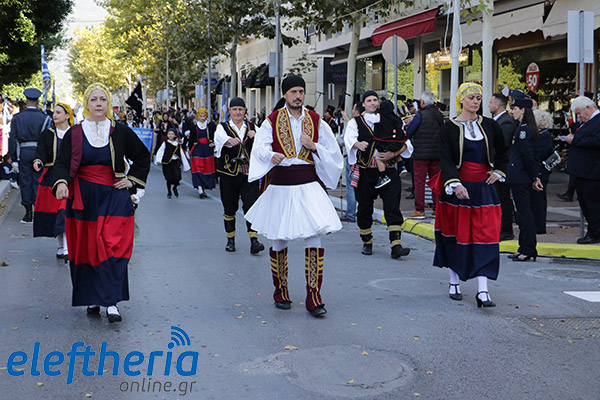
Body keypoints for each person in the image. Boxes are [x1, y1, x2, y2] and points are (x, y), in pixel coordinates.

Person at [245, 75, 343, 318]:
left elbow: (333, 152)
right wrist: (271, 156)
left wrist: (313, 146)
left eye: (301, 91)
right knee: (279, 238)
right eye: (293, 92)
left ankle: (314, 297)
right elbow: (259, 147)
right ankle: (281, 292)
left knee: (314, 236)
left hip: (308, 184)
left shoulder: (317, 120)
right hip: (281, 184)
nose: (298, 96)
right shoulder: (271, 120)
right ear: (285, 95)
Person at [53, 83, 150, 322]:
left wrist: (131, 181)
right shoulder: (75, 133)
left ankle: (112, 301)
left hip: (113, 196)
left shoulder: (120, 131)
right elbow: (62, 163)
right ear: (87, 104)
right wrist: (62, 183)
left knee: (111, 246)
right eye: (94, 99)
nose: (98, 103)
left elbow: (142, 156)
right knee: (88, 249)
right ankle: (94, 297)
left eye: (103, 99)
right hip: (84, 197)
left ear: (108, 104)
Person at [433, 83, 506, 307]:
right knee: (456, 235)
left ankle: (483, 290)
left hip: (483, 188)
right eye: (471, 98)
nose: (475, 102)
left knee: (486, 236)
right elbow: (445, 158)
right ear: (461, 100)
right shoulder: (449, 128)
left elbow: (504, 151)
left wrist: (498, 172)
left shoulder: (490, 126)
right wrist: (455, 184)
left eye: (478, 98)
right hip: (458, 189)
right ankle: (454, 281)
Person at [344, 90, 411, 259]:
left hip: (388, 170)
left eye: (375, 100)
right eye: (369, 100)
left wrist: (393, 154)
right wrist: (357, 144)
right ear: (363, 104)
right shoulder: (355, 122)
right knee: (364, 208)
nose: (373, 103)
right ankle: (367, 241)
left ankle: (396, 245)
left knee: (392, 206)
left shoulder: (389, 119)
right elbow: (349, 139)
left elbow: (406, 143)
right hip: (366, 171)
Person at [214, 97, 265, 254]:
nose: (237, 112)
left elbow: (264, 140)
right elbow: (219, 138)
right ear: (229, 111)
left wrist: (255, 135)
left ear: (245, 111)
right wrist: (229, 140)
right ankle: (230, 240)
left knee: (251, 206)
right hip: (228, 174)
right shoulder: (222, 127)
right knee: (229, 207)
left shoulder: (252, 127)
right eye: (234, 109)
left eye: (240, 109)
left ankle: (254, 240)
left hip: (248, 174)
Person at [32, 102, 74, 259]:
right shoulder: (48, 134)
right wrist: (38, 161)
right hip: (52, 178)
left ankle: (68, 248)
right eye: (54, 112)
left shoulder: (75, 133)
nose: (54, 115)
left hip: (71, 178)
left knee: (65, 211)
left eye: (58, 112)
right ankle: (61, 246)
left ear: (67, 115)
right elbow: (41, 152)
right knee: (55, 214)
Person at [507, 98, 544, 261]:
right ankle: (523, 247)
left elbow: (528, 155)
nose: (513, 111)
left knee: (524, 214)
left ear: (523, 110)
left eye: (515, 108)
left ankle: (528, 249)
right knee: (522, 213)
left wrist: (535, 176)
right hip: (521, 175)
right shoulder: (524, 128)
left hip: (521, 176)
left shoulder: (524, 130)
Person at [8, 88, 52, 223]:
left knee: (25, 181)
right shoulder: (45, 118)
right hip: (39, 152)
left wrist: (14, 158)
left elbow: (13, 139)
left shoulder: (17, 118)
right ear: (37, 102)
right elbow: (48, 139)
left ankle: (28, 213)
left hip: (23, 151)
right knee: (38, 180)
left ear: (26, 102)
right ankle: (38, 210)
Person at [564, 96, 600, 244]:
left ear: (588, 108)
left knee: (593, 204)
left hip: (592, 171)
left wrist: (575, 140)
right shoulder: (589, 122)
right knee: (586, 203)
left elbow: (597, 141)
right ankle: (593, 231)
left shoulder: (597, 121)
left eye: (579, 113)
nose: (579, 117)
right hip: (583, 171)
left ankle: (595, 233)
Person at [404, 91, 444, 219]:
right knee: (435, 182)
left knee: (419, 182)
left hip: (420, 154)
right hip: (436, 154)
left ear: (422, 102)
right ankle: (437, 209)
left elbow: (409, 131)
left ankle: (419, 210)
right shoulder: (439, 115)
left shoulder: (420, 115)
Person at [489, 93, 518, 241]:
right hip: (496, 166)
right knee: (499, 197)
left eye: (490, 103)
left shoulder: (506, 122)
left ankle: (506, 229)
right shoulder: (497, 121)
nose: (489, 105)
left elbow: (502, 145)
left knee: (503, 198)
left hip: (503, 167)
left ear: (497, 105)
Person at [372, 99, 408, 189]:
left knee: (378, 158)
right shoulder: (397, 118)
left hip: (385, 143)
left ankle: (383, 176)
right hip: (397, 143)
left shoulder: (379, 118)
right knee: (395, 151)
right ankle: (402, 166)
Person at [532, 109, 555, 234]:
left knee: (539, 199)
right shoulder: (541, 135)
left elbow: (540, 153)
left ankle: (539, 225)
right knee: (536, 198)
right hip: (540, 169)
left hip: (541, 170)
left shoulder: (544, 136)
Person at [339, 103, 361, 222]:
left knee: (351, 186)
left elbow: (343, 141)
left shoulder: (352, 124)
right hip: (363, 158)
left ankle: (351, 213)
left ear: (356, 112)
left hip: (352, 158)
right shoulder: (368, 123)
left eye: (353, 109)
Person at [188, 108, 216, 198]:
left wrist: (214, 143)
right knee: (198, 168)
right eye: (201, 116)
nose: (202, 118)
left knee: (206, 168)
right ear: (198, 117)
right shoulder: (194, 126)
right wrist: (189, 149)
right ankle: (200, 189)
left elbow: (216, 136)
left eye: (204, 116)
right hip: (197, 149)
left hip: (207, 150)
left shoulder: (211, 125)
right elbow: (191, 139)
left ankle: (204, 188)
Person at [155, 127, 190, 198]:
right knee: (169, 178)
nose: (170, 135)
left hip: (175, 162)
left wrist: (186, 165)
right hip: (167, 163)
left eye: (172, 134)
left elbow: (182, 154)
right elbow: (160, 151)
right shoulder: (165, 143)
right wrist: (158, 160)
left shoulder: (177, 144)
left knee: (177, 176)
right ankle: (169, 192)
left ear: (175, 135)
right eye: (169, 134)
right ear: (167, 135)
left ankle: (174, 187)